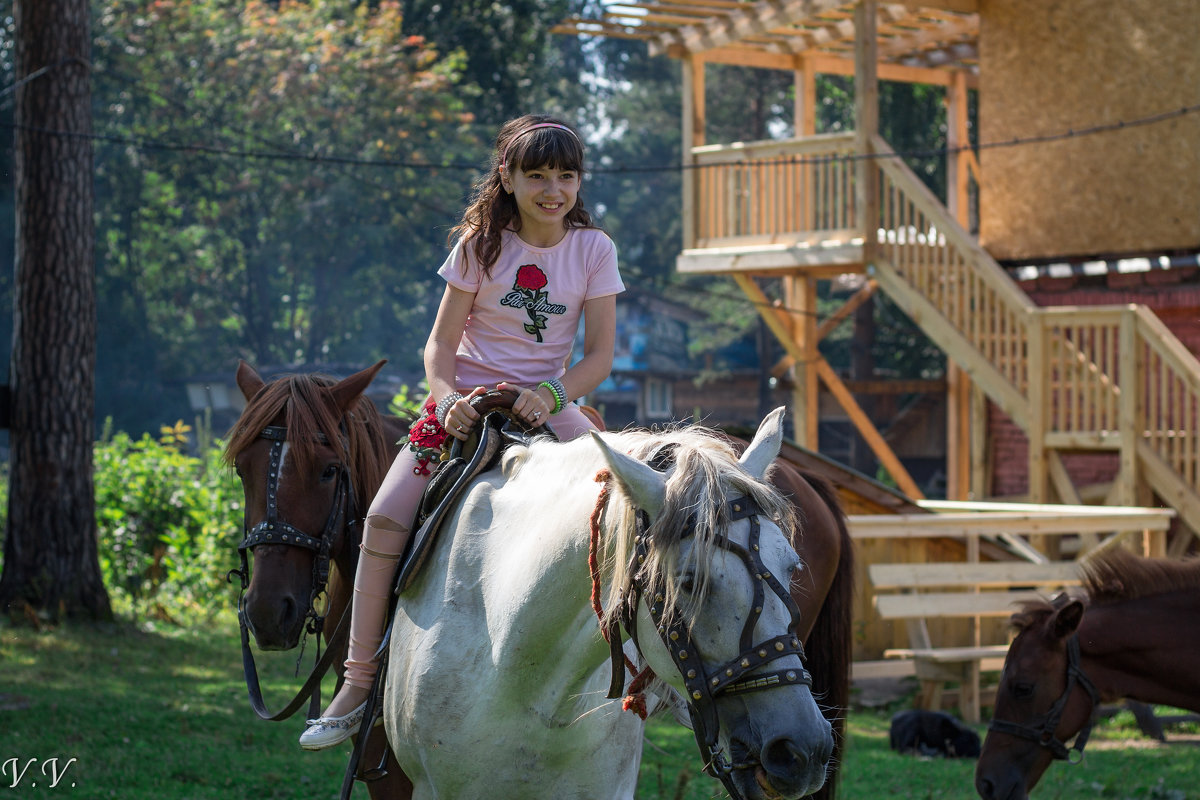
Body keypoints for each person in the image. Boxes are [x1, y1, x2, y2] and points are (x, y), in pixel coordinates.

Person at [299, 114, 623, 749]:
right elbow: (441, 344)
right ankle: (359, 681)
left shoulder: (595, 250)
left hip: (546, 402)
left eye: (566, 175)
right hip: (466, 403)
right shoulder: (480, 246)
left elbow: (599, 358)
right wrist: (445, 398)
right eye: (537, 176)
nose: (553, 190)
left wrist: (552, 394)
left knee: (620, 507)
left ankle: (634, 671)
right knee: (386, 514)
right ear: (507, 176)